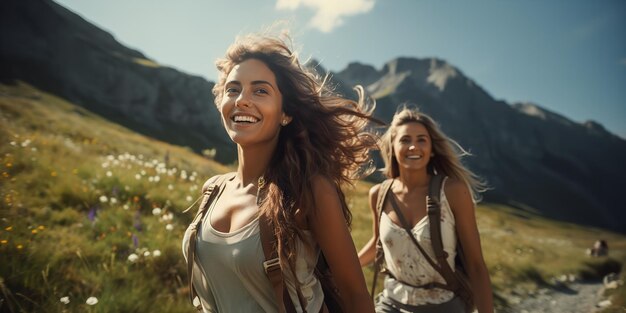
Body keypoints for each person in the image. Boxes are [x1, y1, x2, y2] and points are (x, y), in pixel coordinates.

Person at [182, 32, 377, 313]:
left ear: (285, 113)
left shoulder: (308, 190)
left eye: (260, 91)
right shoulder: (213, 189)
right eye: (233, 89)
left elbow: (355, 294)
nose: (242, 100)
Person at [357, 107, 494, 313]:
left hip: (443, 304)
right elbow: (377, 242)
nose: (413, 146)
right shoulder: (379, 194)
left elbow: (476, 264)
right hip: (391, 303)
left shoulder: (452, 191)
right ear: (392, 146)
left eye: (421, 140)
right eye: (405, 140)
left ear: (432, 149)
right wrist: (340, 269)